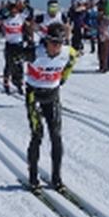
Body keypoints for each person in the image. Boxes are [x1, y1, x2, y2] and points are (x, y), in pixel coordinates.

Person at [24, 23, 78, 191]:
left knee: (56, 136)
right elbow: (15, 57)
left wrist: (63, 79)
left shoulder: (67, 52)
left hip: (52, 95)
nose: (56, 47)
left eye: (59, 43)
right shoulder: (35, 52)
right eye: (53, 42)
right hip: (34, 95)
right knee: (37, 135)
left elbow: (72, 61)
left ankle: (57, 177)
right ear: (46, 41)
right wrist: (16, 75)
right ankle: (33, 176)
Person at [1, 0, 27, 95]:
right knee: (8, 64)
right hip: (9, 44)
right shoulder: (6, 19)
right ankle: (6, 83)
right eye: (12, 10)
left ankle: (19, 84)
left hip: (19, 44)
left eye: (15, 10)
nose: (14, 12)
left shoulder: (21, 17)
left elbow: (29, 14)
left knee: (19, 64)